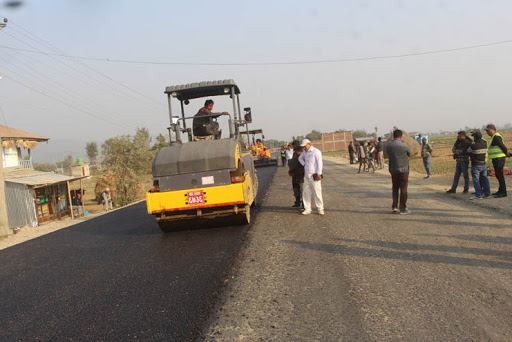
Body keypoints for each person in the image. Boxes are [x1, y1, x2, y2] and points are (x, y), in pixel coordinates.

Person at [386, 129, 411, 214]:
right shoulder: (404, 145)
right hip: (403, 169)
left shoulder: (389, 146)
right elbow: (409, 154)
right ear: (401, 136)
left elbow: (388, 154)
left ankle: (395, 206)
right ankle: (403, 208)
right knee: (403, 189)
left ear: (393, 136)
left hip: (393, 169)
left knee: (395, 187)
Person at [298, 139, 324, 215]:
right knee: (306, 192)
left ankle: (320, 208)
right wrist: (304, 164)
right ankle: (307, 208)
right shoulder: (304, 153)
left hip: (314, 175)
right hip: (306, 176)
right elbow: (300, 158)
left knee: (317, 192)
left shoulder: (316, 152)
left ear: (309, 144)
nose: (304, 148)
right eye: (303, 147)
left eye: (305, 146)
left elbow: (320, 163)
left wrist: (319, 174)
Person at [485, 123, 510, 198]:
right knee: (498, 175)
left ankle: (503, 192)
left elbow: (502, 146)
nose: (487, 132)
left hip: (499, 158)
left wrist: (506, 153)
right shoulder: (494, 137)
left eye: (488, 130)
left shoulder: (496, 137)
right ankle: (500, 190)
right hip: (496, 158)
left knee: (500, 175)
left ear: (493, 130)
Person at [468, 129, 491, 200]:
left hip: (476, 164)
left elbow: (468, 151)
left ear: (475, 137)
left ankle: (478, 194)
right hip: (483, 164)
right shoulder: (484, 144)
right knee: (485, 178)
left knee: (476, 179)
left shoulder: (473, 146)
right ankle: (488, 194)